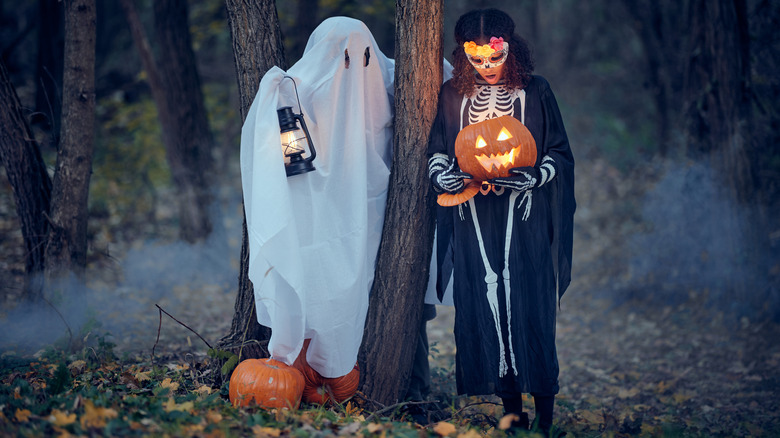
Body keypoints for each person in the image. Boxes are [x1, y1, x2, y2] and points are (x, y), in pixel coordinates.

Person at [427, 8, 575, 434]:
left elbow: (559, 153)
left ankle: (545, 412)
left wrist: (536, 176)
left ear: (511, 52)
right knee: (485, 305)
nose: (487, 69)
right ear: (464, 57)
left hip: (526, 217)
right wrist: (444, 174)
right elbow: (439, 149)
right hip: (474, 214)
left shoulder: (537, 90)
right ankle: (511, 410)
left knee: (530, 303)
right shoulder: (453, 94)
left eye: (494, 59)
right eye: (478, 61)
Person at [240, 17, 395, 379]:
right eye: (343, 57)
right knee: (313, 281)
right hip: (312, 212)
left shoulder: (383, 82)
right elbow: (286, 155)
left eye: (364, 56)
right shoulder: (294, 90)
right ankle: (306, 369)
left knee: (355, 285)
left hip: (370, 208)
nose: (355, 66)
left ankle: (335, 371)